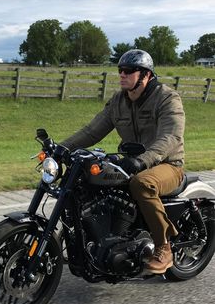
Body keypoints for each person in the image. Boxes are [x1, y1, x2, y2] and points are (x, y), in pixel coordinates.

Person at [61, 49, 185, 274]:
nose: (122, 75)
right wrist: (60, 148)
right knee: (85, 180)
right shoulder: (119, 101)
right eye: (120, 70)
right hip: (132, 162)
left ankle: (163, 247)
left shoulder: (166, 98)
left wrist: (143, 160)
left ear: (146, 75)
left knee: (141, 183)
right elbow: (91, 132)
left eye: (128, 71)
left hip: (166, 165)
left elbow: (171, 136)